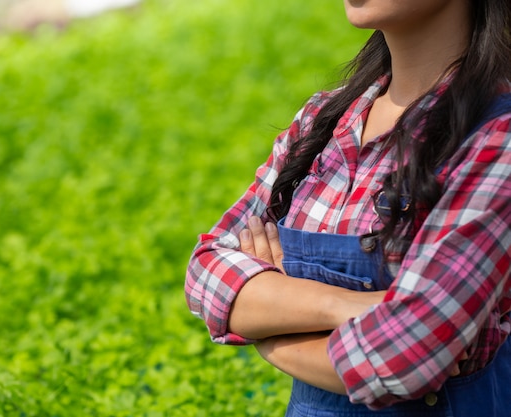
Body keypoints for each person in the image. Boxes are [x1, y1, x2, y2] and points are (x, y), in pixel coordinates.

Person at [185, 0, 511, 415]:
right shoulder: (323, 120)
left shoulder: (496, 137)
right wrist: (346, 305)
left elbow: (401, 357)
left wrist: (269, 329)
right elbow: (205, 269)